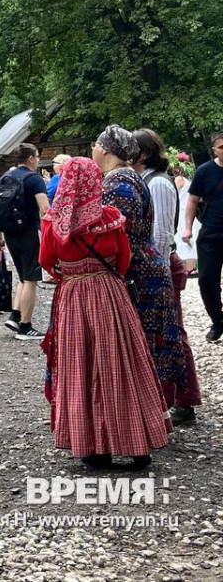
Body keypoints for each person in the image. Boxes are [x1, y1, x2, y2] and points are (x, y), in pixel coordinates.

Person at [40, 157, 168, 469]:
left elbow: (46, 262)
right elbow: (123, 261)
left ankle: (92, 447)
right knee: (123, 365)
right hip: (111, 296)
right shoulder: (110, 217)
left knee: (79, 366)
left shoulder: (54, 222)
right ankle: (138, 444)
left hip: (74, 297)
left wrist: (73, 273)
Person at [95, 125, 196, 416]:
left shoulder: (143, 183)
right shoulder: (135, 179)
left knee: (165, 340)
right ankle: (162, 406)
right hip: (149, 269)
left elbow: (161, 233)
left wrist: (159, 272)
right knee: (162, 338)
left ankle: (176, 403)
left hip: (150, 270)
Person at [134, 128, 200, 425]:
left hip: (160, 267)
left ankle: (184, 400)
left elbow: (160, 234)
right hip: (156, 268)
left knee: (171, 334)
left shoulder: (158, 183)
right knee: (164, 334)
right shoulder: (146, 179)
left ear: (143, 153)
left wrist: (154, 275)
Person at [1, 144, 49, 341]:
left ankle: (15, 314)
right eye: (37, 156)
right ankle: (26, 326)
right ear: (30, 159)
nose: (38, 160)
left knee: (22, 276)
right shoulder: (34, 179)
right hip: (29, 231)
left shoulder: (7, 176)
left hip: (9, 231)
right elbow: (45, 208)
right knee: (32, 278)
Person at [183, 131, 223, 342]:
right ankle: (218, 320)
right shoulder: (204, 171)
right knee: (207, 278)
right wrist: (188, 228)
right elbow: (192, 201)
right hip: (211, 232)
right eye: (222, 147)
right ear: (214, 149)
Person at [172, 157, 200, 275]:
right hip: (188, 211)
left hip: (183, 212)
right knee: (190, 241)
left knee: (183, 238)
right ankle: (191, 268)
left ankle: (188, 268)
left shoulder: (178, 179)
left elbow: (174, 193)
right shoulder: (189, 180)